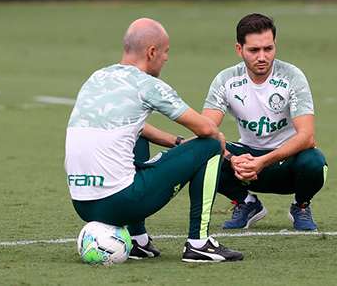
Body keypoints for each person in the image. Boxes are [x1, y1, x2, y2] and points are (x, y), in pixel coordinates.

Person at [65, 18, 243, 263]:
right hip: (121, 203)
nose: (166, 58)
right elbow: (207, 129)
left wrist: (177, 143)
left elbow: (132, 127)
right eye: (166, 52)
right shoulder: (148, 85)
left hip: (83, 204)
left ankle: (138, 242)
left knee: (135, 133)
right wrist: (215, 148)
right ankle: (199, 244)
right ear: (152, 52)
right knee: (212, 144)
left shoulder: (96, 78)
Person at [202, 13, 326, 231]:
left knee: (315, 161)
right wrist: (231, 159)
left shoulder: (292, 77)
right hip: (246, 162)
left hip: (286, 162)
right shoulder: (226, 80)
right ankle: (246, 203)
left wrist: (263, 161)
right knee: (201, 152)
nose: (262, 57)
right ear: (239, 49)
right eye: (254, 50)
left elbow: (307, 136)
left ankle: (301, 206)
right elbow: (206, 130)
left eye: (268, 49)